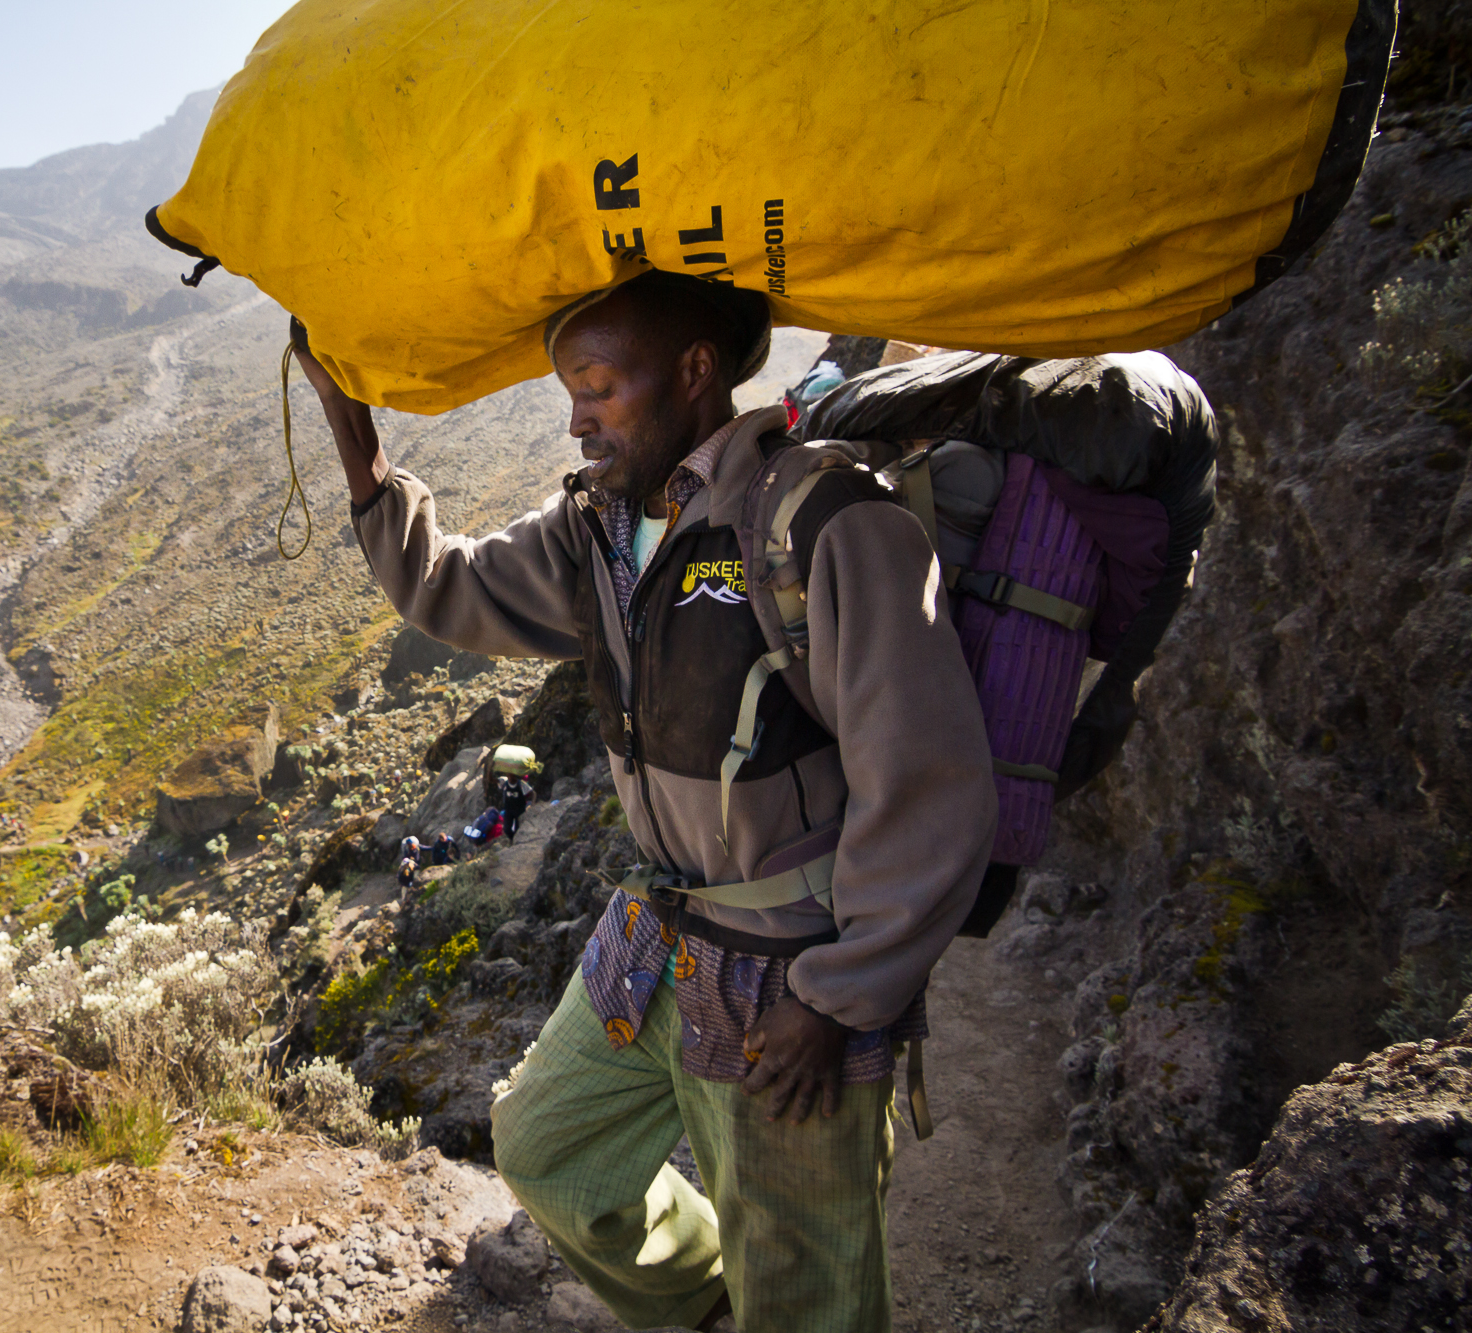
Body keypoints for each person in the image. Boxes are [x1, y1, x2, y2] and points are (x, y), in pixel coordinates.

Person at [292, 269, 994, 1333]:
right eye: (566, 390)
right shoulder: (597, 530)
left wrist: (842, 994)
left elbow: (930, 781)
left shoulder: (824, 522)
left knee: (807, 1289)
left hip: (786, 975)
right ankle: (712, 1298)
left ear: (695, 371)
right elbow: (449, 587)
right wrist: (359, 446)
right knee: (547, 1145)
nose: (573, 418)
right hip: (657, 929)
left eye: (596, 387)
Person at [497, 772, 535, 843]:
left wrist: (532, 804)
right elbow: (494, 782)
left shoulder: (521, 784)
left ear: (515, 776)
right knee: (507, 829)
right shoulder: (505, 783)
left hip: (519, 810)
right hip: (508, 810)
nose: (509, 778)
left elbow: (533, 793)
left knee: (518, 829)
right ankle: (512, 840)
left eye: (511, 776)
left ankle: (516, 842)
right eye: (508, 776)